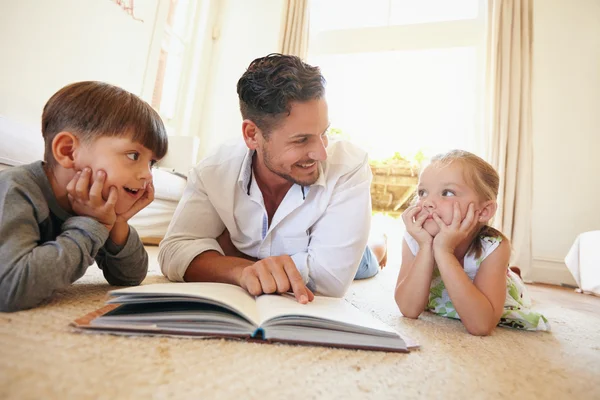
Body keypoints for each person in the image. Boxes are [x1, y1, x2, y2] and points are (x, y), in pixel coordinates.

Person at [159, 53, 384, 303]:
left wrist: (222, 257)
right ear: (252, 134)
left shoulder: (348, 166)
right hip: (285, 250)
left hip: (340, 242)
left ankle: (378, 243)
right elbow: (172, 252)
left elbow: (330, 280)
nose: (321, 152)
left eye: (324, 133)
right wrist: (241, 270)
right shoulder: (214, 170)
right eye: (301, 140)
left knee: (366, 262)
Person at [0, 81, 168, 312]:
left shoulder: (92, 203)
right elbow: (10, 289)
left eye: (152, 163)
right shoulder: (16, 189)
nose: (146, 174)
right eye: (133, 155)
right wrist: (91, 225)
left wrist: (117, 224)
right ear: (68, 151)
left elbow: (130, 277)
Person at [395, 150, 549, 335]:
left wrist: (444, 251)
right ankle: (507, 272)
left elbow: (481, 326)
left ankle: (509, 276)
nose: (428, 202)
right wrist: (426, 247)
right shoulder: (415, 239)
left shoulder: (493, 246)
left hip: (487, 294)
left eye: (447, 192)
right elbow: (408, 309)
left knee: (510, 285)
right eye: (423, 192)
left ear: (483, 211)